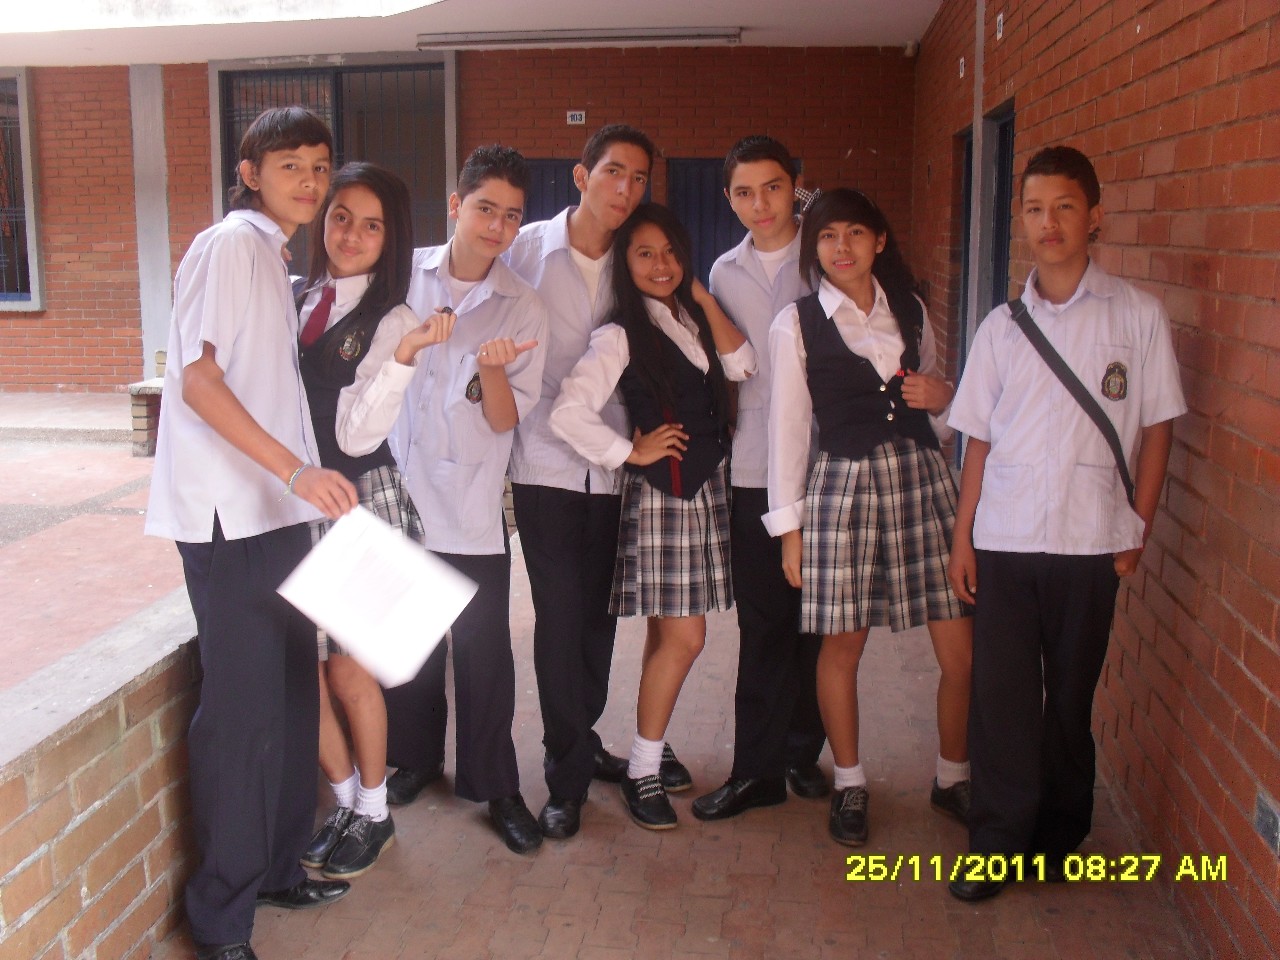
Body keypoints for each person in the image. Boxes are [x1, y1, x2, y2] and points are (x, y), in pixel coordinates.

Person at [145, 106, 358, 960]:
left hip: (275, 513)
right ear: (249, 172)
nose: (309, 181)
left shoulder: (273, 256)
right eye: (289, 165)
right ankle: (221, 917)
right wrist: (297, 471)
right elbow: (198, 382)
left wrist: (301, 489)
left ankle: (275, 867)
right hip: (228, 517)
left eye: (319, 166)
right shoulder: (231, 245)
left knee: (290, 699)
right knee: (241, 718)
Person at [946, 146, 1185, 901]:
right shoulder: (1000, 328)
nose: (1048, 224)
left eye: (1064, 208)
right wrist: (963, 536)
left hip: (1091, 543)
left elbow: (1158, 429)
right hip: (1006, 540)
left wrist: (1137, 527)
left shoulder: (1137, 317)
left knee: (1070, 701)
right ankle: (995, 843)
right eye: (1034, 209)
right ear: (1020, 219)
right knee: (1003, 702)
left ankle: (1057, 837)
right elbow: (977, 439)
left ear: (1094, 216)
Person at [765, 187, 974, 847]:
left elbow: (941, 411)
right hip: (844, 487)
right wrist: (790, 531)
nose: (842, 247)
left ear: (879, 241)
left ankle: (952, 776)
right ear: (814, 247)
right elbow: (788, 432)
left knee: (961, 647)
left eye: (855, 232)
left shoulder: (909, 307)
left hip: (923, 480)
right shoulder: (795, 324)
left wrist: (944, 396)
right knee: (842, 645)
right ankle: (850, 783)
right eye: (828, 236)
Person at [506, 124, 693, 841]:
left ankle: (581, 741)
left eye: (639, 178)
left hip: (621, 473)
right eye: (615, 172)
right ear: (582, 176)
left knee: (599, 621)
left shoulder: (636, 260)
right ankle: (565, 778)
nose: (626, 188)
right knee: (559, 621)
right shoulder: (526, 252)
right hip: (546, 466)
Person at [551, 203, 757, 830]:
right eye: (644, 254)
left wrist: (702, 296)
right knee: (688, 638)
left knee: (669, 635)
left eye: (670, 251)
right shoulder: (620, 333)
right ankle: (641, 770)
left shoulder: (690, 315)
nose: (660, 264)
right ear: (624, 262)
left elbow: (742, 366)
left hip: (705, 489)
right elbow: (568, 411)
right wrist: (628, 452)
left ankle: (652, 746)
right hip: (668, 496)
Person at [381, 145, 549, 855]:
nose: (497, 227)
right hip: (396, 487)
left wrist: (494, 370)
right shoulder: (402, 275)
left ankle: (496, 784)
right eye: (485, 209)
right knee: (408, 640)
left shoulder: (522, 303)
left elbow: (506, 420)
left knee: (482, 652)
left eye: (512, 216)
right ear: (456, 205)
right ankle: (415, 757)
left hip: (471, 499)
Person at [293, 162, 456, 880]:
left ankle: (376, 811)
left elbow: (357, 437)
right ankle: (348, 803)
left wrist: (406, 358)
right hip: (295, 506)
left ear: (392, 239)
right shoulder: (295, 300)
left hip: (361, 503)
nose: (351, 235)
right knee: (306, 672)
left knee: (350, 671)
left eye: (371, 225)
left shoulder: (392, 320)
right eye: (340, 217)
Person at [692, 135, 829, 824]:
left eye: (772, 187)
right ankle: (757, 769)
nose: (760, 204)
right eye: (744, 192)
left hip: (829, 469)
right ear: (729, 199)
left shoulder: (826, 257)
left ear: (794, 184)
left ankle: (803, 750)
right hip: (753, 472)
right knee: (764, 622)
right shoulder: (724, 272)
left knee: (820, 622)